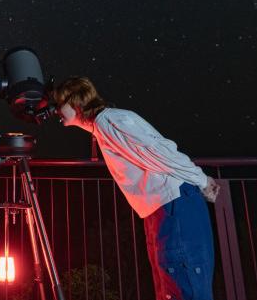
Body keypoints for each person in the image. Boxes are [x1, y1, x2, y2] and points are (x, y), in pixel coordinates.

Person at [51, 76, 220, 300]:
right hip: (163, 208)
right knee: (172, 288)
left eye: (58, 103)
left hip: (173, 205)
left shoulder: (109, 121)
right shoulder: (104, 125)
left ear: (75, 101)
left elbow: (159, 152)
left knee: (184, 287)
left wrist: (201, 179)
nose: (55, 110)